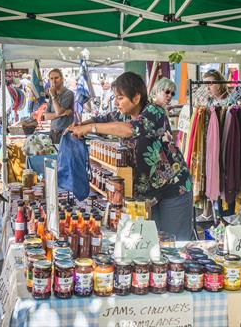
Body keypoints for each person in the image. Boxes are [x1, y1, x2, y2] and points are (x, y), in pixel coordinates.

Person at [65, 72, 193, 240]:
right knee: (150, 242)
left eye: (120, 97)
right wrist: (81, 125)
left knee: (175, 243)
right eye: (115, 97)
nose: (116, 102)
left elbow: (130, 130)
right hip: (147, 193)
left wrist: (90, 128)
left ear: (137, 98)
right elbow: (104, 118)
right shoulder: (124, 114)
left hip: (174, 189)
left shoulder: (154, 112)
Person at [44, 68, 75, 144]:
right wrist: (62, 114)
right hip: (53, 132)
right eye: (51, 78)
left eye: (56, 78)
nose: (54, 81)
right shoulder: (52, 94)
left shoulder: (68, 93)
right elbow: (46, 116)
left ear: (62, 79)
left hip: (64, 133)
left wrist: (53, 96)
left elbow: (58, 112)